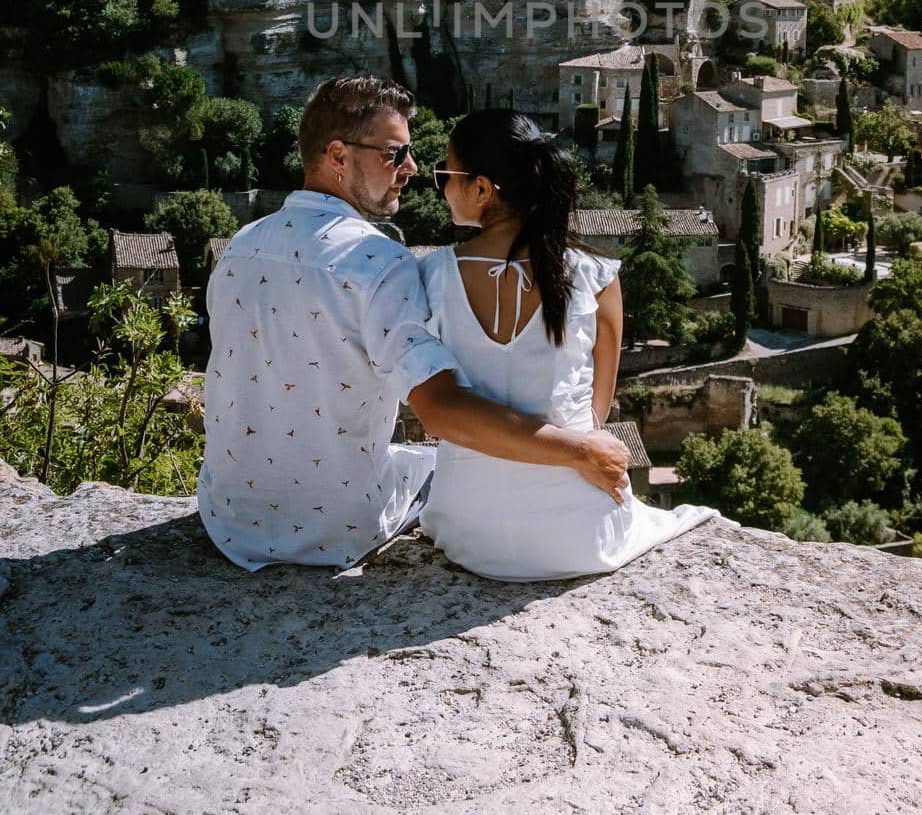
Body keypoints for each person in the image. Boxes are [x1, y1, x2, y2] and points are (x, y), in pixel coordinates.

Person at [197, 76, 629, 571]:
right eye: (394, 154)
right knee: (441, 467)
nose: (413, 168)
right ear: (338, 156)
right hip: (334, 529)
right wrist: (581, 450)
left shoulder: (239, 245)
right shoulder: (379, 262)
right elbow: (441, 411)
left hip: (228, 519)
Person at [417, 110, 718, 580]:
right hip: (582, 537)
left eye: (446, 175)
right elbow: (597, 411)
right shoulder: (597, 276)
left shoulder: (430, 276)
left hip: (469, 534)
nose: (442, 187)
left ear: (481, 188)